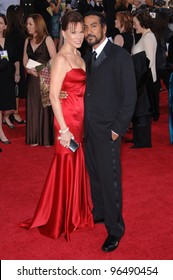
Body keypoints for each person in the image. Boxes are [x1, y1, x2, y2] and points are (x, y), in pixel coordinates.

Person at [19, 11, 94, 241]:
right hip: (66, 120)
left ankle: (76, 211)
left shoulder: (81, 55)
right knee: (65, 162)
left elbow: (72, 87)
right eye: (73, 32)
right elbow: (52, 95)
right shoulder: (61, 58)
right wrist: (63, 129)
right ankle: (62, 216)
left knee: (77, 161)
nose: (79, 36)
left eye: (81, 31)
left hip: (80, 118)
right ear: (63, 33)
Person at [83, 10, 137, 252]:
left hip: (108, 131)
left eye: (93, 26)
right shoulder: (87, 56)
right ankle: (101, 212)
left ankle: (116, 229)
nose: (89, 32)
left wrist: (117, 129)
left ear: (104, 29)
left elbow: (130, 97)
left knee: (110, 179)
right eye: (85, 28)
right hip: (89, 129)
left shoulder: (120, 56)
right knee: (95, 176)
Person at [23, 13, 56, 146]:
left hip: (45, 77)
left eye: (30, 24)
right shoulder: (27, 40)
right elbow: (25, 58)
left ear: (38, 24)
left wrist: (40, 69)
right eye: (27, 24)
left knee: (45, 107)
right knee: (32, 105)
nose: (28, 26)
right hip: (32, 78)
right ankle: (34, 137)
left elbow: (54, 58)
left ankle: (46, 138)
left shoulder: (47, 39)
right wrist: (28, 69)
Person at [132, 10, 157, 148]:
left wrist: (141, 86)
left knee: (143, 112)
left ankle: (143, 140)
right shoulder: (144, 36)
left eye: (135, 23)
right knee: (140, 111)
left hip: (144, 82)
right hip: (142, 81)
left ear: (141, 22)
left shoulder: (148, 37)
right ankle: (139, 139)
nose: (134, 26)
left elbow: (149, 63)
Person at [0, 13, 20, 143]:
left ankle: (6, 117)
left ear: (5, 26)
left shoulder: (10, 41)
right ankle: (1, 134)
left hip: (8, 76)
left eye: (1, 23)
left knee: (11, 106)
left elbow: (16, 59)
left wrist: (17, 72)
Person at [6, 5, 26, 124]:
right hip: (17, 64)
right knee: (16, 89)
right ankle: (15, 113)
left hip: (9, 64)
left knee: (13, 89)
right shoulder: (20, 33)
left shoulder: (7, 32)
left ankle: (12, 113)